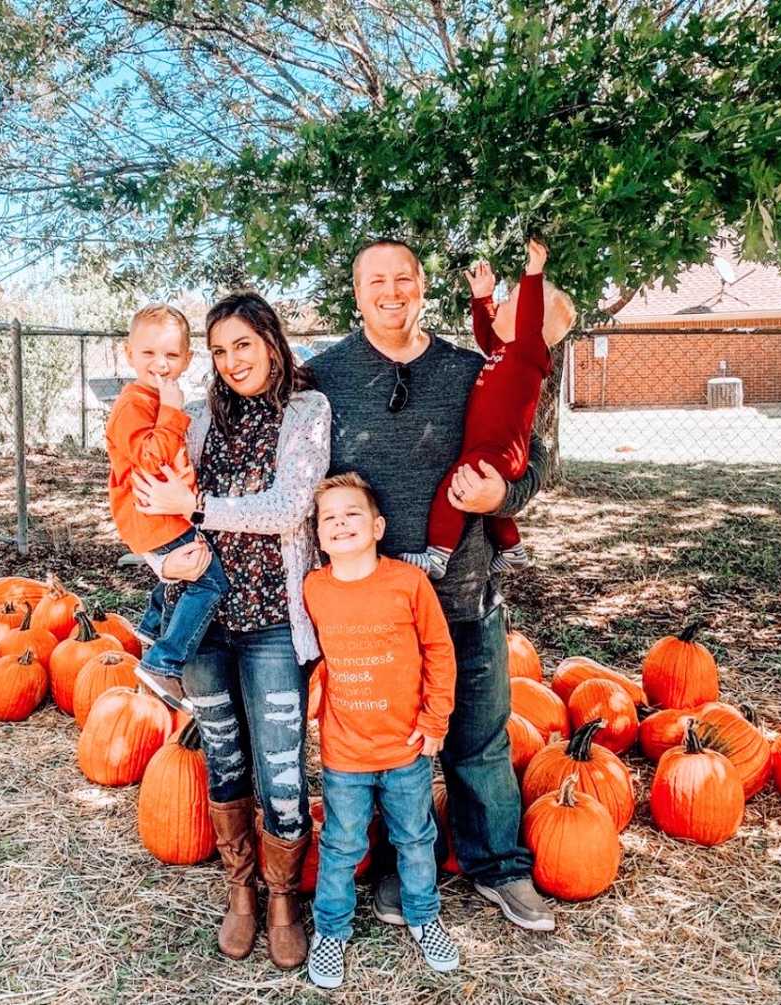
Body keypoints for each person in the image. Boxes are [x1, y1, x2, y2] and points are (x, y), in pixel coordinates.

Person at [307, 239, 555, 932]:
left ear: (421, 287)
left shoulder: (471, 369)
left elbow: (533, 464)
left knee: (478, 739)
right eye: (375, 281)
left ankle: (498, 866)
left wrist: (503, 493)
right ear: (355, 294)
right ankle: (395, 867)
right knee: (387, 747)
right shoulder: (322, 377)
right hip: (371, 613)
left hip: (464, 592)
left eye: (403, 278)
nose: (391, 291)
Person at [131, 291, 331, 968]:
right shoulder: (197, 421)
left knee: (280, 767)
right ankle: (241, 890)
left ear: (271, 340)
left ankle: (282, 897)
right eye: (218, 349)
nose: (231, 359)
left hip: (275, 621)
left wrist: (196, 504)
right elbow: (151, 502)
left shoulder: (307, 408)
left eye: (242, 342)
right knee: (224, 758)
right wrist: (161, 553)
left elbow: (289, 506)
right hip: (207, 619)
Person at [303, 472, 459, 989]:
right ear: (318, 536)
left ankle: (423, 916)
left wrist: (435, 718)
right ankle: (331, 930)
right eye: (329, 518)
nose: (340, 523)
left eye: (352, 514)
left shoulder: (408, 584)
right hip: (345, 751)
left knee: (415, 837)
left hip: (406, 747)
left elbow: (439, 650)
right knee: (341, 844)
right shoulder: (314, 589)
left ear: (377, 525)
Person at [401, 240, 575, 578]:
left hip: (499, 450)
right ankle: (512, 551)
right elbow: (485, 332)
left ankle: (437, 555)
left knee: (454, 486)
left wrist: (534, 272)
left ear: (531, 320)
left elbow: (527, 318)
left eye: (510, 300)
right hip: (492, 449)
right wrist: (482, 296)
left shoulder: (528, 353)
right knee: (480, 500)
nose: (502, 303)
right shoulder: (504, 352)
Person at [105, 303, 229, 715]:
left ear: (188, 359)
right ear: (129, 354)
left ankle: (150, 627)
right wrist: (173, 411)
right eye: (149, 354)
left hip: (167, 514)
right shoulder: (134, 404)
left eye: (172, 356)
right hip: (153, 515)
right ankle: (164, 662)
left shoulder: (156, 398)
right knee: (209, 581)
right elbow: (149, 458)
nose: (160, 364)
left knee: (187, 570)